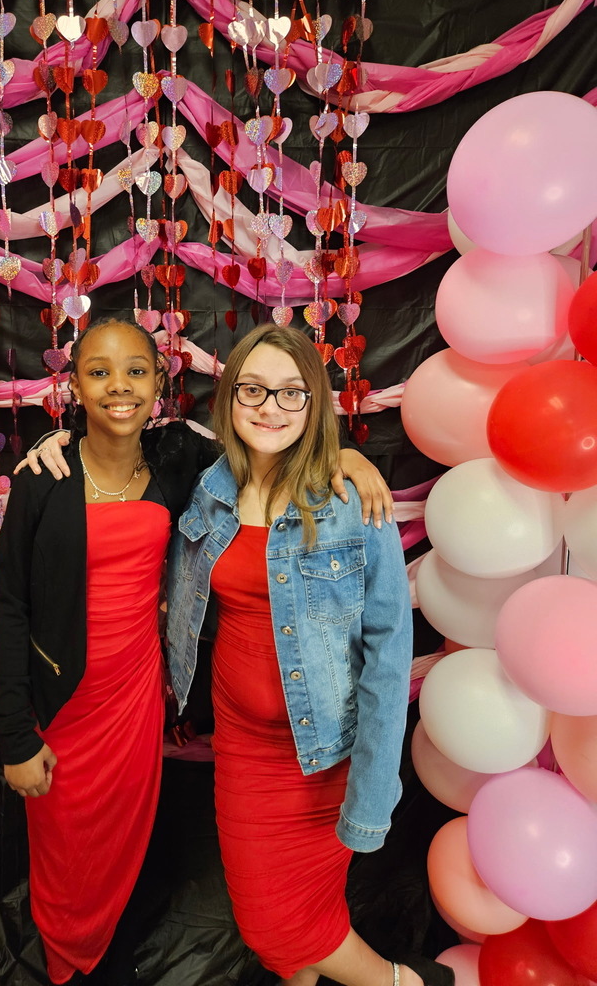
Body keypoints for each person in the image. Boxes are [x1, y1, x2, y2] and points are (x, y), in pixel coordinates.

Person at [0, 317, 392, 986]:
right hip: (63, 707)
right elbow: (9, 605)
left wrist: (344, 455)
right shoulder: (45, 477)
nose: (119, 387)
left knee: (127, 853)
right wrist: (12, 735)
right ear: (75, 386)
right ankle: (65, 968)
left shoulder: (182, 467)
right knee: (65, 855)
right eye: (98, 372)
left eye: (137, 372)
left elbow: (273, 441)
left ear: (160, 384)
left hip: (138, 705)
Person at [165, 325, 454, 986]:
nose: (271, 407)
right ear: (230, 399)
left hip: (323, 756)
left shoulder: (352, 503)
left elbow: (388, 656)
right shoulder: (209, 491)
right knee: (282, 925)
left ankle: (408, 984)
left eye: (292, 393)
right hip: (242, 751)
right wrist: (51, 440)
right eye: (255, 390)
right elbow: (121, 454)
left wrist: (374, 791)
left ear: (315, 403)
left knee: (285, 923)